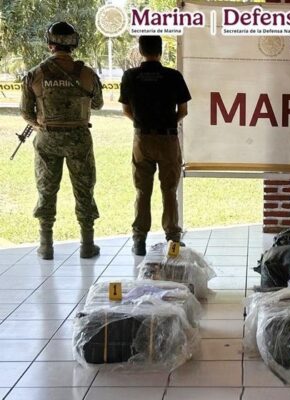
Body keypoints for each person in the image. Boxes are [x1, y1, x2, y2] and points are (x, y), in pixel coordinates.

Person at [20, 21, 103, 260]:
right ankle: (87, 244)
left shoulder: (35, 74)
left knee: (46, 189)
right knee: (84, 189)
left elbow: (26, 112)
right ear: (73, 44)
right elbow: (98, 104)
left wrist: (41, 125)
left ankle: (46, 245)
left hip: (47, 138)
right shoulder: (87, 74)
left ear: (50, 44)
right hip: (79, 139)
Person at [119, 36, 191, 256]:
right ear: (160, 51)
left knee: (142, 190)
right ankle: (173, 239)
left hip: (142, 139)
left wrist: (141, 123)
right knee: (169, 190)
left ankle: (139, 240)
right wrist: (169, 123)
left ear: (141, 51)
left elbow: (126, 110)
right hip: (168, 139)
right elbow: (183, 111)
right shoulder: (173, 76)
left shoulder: (130, 76)